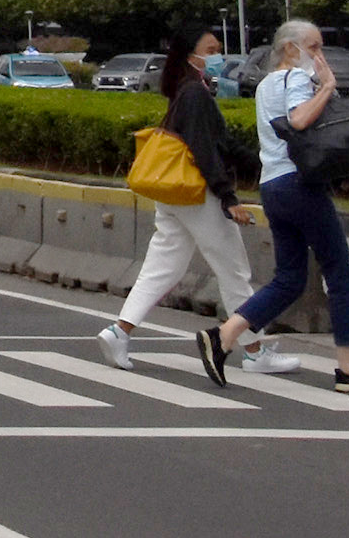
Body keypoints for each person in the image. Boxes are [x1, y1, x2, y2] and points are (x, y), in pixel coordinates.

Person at [203, 19, 349, 394]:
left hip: (273, 187)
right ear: (291, 49)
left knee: (289, 278)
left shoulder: (265, 85)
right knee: (340, 274)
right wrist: (330, 87)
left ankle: (224, 335)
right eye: (315, 47)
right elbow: (299, 119)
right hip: (300, 184)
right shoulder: (295, 80)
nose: (320, 56)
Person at [97, 25, 265, 371]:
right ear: (192, 55)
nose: (218, 55)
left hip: (173, 195)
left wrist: (262, 163)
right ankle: (255, 352)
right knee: (233, 270)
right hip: (198, 194)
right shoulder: (196, 95)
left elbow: (218, 144)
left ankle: (119, 331)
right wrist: (228, 197)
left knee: (162, 267)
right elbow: (206, 150)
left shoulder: (186, 90)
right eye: (211, 48)